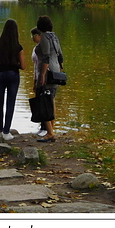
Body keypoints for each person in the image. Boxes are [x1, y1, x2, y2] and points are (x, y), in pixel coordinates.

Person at [0, 19, 26, 140]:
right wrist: (15, 64)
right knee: (10, 103)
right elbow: (24, 66)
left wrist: (0, 61)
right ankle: (6, 132)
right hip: (13, 75)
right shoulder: (18, 46)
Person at [35, 15, 64, 143]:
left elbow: (46, 57)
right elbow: (60, 55)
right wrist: (60, 70)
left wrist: (41, 75)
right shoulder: (54, 36)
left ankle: (50, 133)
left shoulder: (44, 38)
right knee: (51, 99)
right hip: (56, 70)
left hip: (48, 71)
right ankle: (51, 129)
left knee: (44, 101)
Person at [31, 27, 48, 137]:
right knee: (39, 101)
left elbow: (45, 62)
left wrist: (42, 75)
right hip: (37, 76)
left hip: (43, 76)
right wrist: (34, 81)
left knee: (44, 102)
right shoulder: (36, 48)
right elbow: (35, 66)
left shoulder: (44, 47)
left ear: (39, 36)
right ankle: (42, 126)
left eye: (33, 36)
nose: (32, 38)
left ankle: (46, 128)